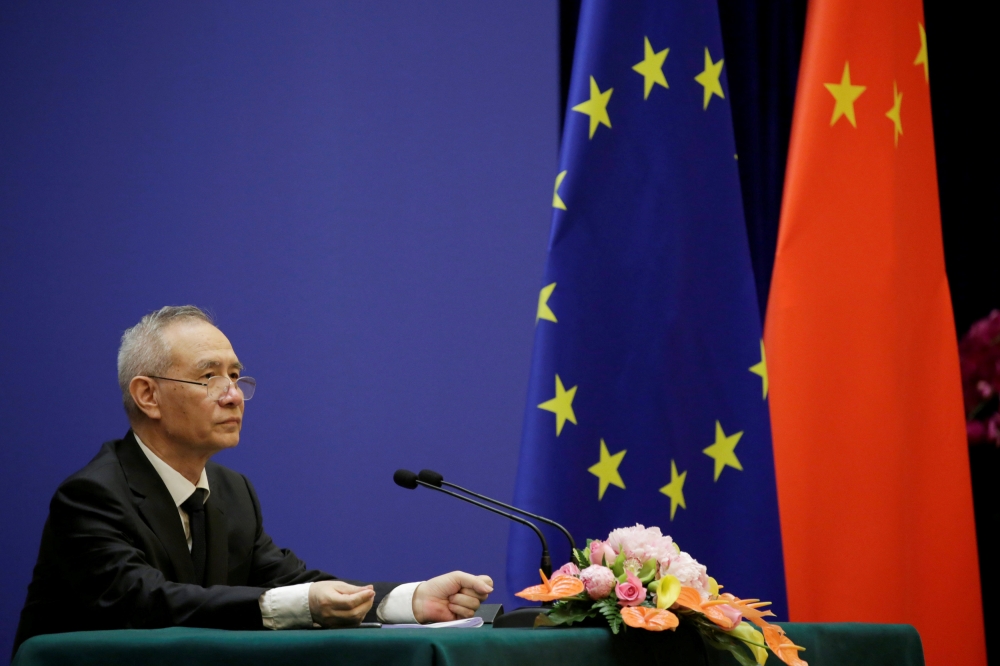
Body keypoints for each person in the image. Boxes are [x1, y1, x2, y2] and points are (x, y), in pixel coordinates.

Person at [13, 306, 493, 656]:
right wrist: (297, 606)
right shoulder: (93, 496)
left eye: (237, 376)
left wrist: (408, 600)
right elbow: (145, 603)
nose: (233, 396)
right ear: (148, 395)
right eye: (209, 377)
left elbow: (293, 582)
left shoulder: (231, 492)